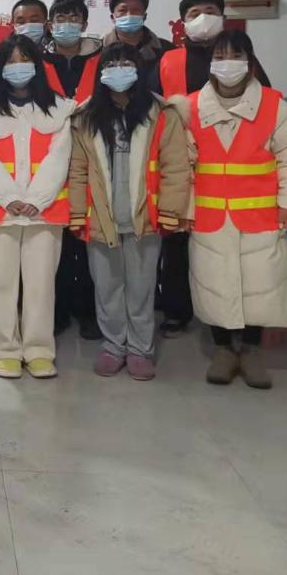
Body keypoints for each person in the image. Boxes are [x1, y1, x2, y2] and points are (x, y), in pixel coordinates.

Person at [181, 30, 287, 389]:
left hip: (261, 216)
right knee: (214, 285)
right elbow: (181, 164)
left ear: (250, 63)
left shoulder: (275, 107)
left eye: (235, 56)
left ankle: (251, 351)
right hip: (208, 217)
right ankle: (223, 351)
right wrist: (182, 209)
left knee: (260, 286)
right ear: (210, 64)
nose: (228, 64)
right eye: (220, 57)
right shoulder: (190, 107)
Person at [151, 0, 271, 338]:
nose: (202, 18)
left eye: (209, 10)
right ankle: (177, 310)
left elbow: (264, 105)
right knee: (176, 242)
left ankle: (233, 317)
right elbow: (152, 108)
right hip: (182, 165)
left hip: (233, 170)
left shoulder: (243, 59)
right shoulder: (168, 60)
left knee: (231, 246)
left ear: (222, 16)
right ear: (183, 22)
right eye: (193, 13)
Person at [67, 45, 189, 381]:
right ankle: (113, 346)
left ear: (139, 69)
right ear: (100, 72)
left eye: (126, 63)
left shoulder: (162, 114)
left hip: (144, 218)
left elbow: (176, 167)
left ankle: (140, 349)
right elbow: (77, 170)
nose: (118, 69)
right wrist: (77, 213)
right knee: (107, 288)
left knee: (141, 288)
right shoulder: (85, 117)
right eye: (111, 63)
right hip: (100, 218)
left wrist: (170, 210)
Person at [0, 35, 73, 379]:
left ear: (37, 65)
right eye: (10, 61)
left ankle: (39, 350)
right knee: (1, 284)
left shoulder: (60, 107)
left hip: (45, 211)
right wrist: (7, 196)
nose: (17, 67)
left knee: (41, 285)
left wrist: (37, 199)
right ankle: (7, 350)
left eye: (24, 59)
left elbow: (60, 156)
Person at [39, 0, 102, 339]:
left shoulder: (102, 59)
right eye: (60, 18)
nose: (67, 24)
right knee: (56, 245)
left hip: (93, 161)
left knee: (88, 242)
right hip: (50, 161)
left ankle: (88, 311)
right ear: (50, 25)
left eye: (74, 18)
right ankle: (58, 310)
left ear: (85, 24)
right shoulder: (37, 61)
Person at [99, 0, 173, 87]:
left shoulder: (167, 49)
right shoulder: (98, 50)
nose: (129, 15)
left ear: (144, 16)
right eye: (123, 10)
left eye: (136, 10)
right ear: (113, 18)